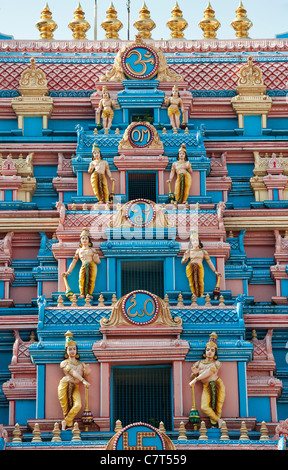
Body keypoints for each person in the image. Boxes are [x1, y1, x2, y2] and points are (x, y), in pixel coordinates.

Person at [189, 332, 225, 428]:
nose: (209, 352)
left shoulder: (217, 363)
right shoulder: (199, 363)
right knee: (204, 406)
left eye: (212, 350)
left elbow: (208, 372)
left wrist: (196, 379)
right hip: (206, 386)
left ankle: (214, 425)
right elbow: (193, 375)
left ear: (215, 353)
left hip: (216, 385)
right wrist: (194, 373)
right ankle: (219, 420)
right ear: (205, 351)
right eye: (208, 349)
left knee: (216, 406)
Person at [58, 331, 91, 430]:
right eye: (70, 349)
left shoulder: (81, 364)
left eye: (74, 349)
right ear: (66, 350)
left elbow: (86, 379)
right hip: (65, 385)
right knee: (66, 407)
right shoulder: (64, 363)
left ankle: (66, 421)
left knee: (78, 405)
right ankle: (69, 424)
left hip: (75, 386)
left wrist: (87, 373)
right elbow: (72, 373)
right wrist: (83, 380)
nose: (72, 351)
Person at [62, 227, 100, 299]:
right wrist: (68, 271)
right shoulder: (78, 251)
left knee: (91, 279)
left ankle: (89, 294)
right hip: (83, 265)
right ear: (80, 240)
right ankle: (82, 294)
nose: (84, 240)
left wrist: (96, 257)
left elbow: (98, 261)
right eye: (83, 238)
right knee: (81, 279)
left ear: (89, 240)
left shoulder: (92, 250)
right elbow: (74, 261)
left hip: (92, 265)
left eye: (86, 238)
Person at [181, 231, 221, 297]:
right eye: (193, 241)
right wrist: (185, 259)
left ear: (199, 242)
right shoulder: (189, 251)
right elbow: (182, 262)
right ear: (191, 243)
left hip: (199, 267)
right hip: (191, 267)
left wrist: (215, 271)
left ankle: (201, 294)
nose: (195, 242)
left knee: (200, 281)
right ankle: (194, 293)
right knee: (191, 282)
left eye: (196, 240)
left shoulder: (203, 252)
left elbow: (209, 262)